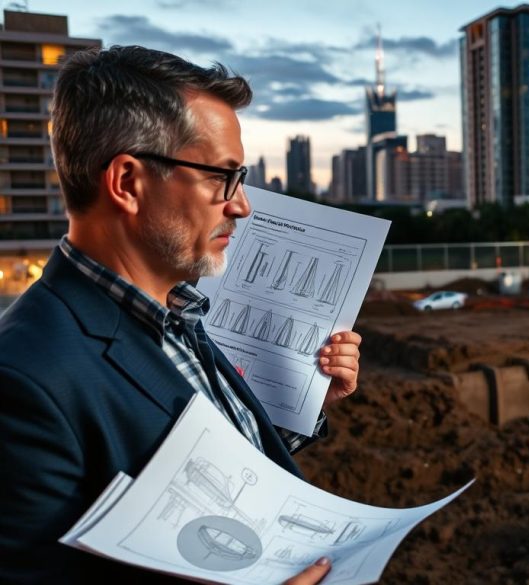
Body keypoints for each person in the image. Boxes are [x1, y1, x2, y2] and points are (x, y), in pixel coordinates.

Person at [0, 46, 359, 584]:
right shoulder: (23, 380)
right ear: (127, 182)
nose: (241, 205)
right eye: (221, 178)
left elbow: (202, 470)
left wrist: (293, 406)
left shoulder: (179, 312)